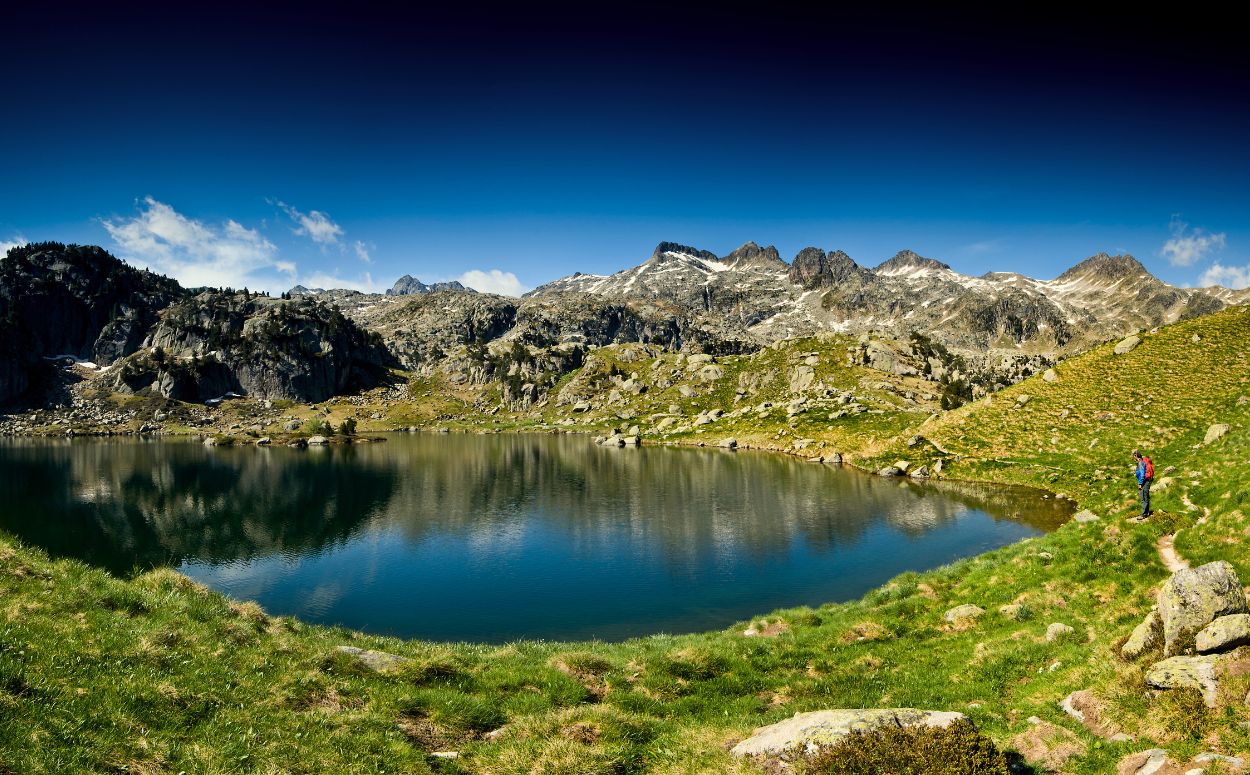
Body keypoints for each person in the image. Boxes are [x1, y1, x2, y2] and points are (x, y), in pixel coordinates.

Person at [1133, 449, 1154, 519]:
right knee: (1146, 496)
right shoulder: (1142, 461)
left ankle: (1143, 514)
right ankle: (1146, 512)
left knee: (1143, 497)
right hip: (1146, 480)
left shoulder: (1141, 462)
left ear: (1136, 455)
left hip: (1144, 481)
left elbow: (1142, 474)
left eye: (1134, 456)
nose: (1133, 458)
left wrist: (1140, 483)